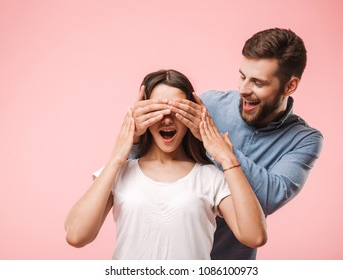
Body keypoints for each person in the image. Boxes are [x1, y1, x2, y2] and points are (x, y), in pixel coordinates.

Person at [131, 28, 323, 259]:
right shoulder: (209, 104)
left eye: (258, 83)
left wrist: (222, 151)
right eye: (242, 76)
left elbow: (270, 198)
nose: (243, 89)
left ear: (289, 86)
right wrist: (136, 133)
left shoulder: (305, 139)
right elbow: (150, 164)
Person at [64, 69, 267, 259]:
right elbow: (76, 235)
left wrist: (227, 158)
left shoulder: (210, 177)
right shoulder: (120, 172)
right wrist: (118, 155)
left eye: (177, 110)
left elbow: (255, 236)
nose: (167, 119)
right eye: (157, 110)